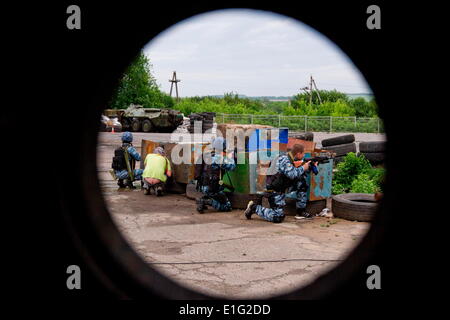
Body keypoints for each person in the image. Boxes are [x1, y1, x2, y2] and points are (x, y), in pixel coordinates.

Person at [244, 144, 318, 223]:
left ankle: (300, 211)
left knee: (301, 183)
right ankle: (254, 208)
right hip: (274, 190)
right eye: (303, 153)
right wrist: (304, 167)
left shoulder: (289, 158)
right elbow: (292, 174)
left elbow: (295, 173)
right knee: (278, 217)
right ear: (298, 154)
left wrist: (309, 167)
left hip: (281, 186)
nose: (304, 156)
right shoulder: (284, 159)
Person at [194, 136, 236, 213]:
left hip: (201, 186)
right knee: (227, 207)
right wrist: (231, 155)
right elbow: (232, 167)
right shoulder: (218, 158)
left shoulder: (206, 155)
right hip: (212, 188)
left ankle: (204, 199)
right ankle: (208, 201)